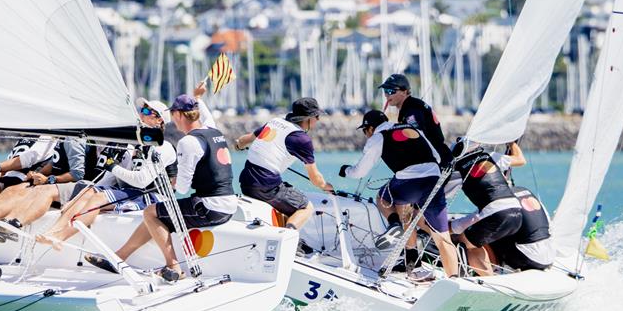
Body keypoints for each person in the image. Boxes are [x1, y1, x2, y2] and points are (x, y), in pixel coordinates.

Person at [86, 88, 237, 282]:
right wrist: (198, 97)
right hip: (228, 204)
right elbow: (206, 115)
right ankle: (119, 258)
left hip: (209, 208)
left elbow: (182, 188)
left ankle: (173, 266)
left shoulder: (188, 142)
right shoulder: (213, 131)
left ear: (178, 114)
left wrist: (175, 180)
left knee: (150, 212)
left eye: (173, 115)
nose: (173, 120)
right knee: (156, 213)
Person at [35, 98, 178, 248]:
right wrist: (81, 196)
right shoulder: (137, 146)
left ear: (160, 121)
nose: (141, 115)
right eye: (142, 111)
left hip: (155, 198)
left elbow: (141, 181)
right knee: (89, 194)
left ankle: (60, 237)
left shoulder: (164, 147)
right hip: (134, 193)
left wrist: (112, 166)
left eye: (147, 112)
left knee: (98, 199)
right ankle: (52, 232)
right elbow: (113, 177)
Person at [338, 109, 458, 278]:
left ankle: (394, 225)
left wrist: (346, 171)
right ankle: (453, 280)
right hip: (433, 181)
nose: (366, 135)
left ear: (370, 128)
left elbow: (360, 172)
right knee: (442, 238)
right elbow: (437, 157)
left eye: (365, 131)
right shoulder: (413, 128)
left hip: (409, 182)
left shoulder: (378, 137)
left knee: (383, 197)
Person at [236, 97, 334, 255]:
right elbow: (315, 179)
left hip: (246, 182)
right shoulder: (301, 139)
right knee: (305, 207)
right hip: (266, 187)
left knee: (286, 205)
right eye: (317, 116)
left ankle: (291, 239)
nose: (318, 120)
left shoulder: (274, 122)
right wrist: (327, 186)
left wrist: (238, 144)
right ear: (308, 118)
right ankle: (288, 240)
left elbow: (244, 140)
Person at [0, 137, 86, 241]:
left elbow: (78, 174)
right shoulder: (63, 137)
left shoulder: (73, 140)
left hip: (65, 186)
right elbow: (55, 162)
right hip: (53, 181)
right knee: (15, 188)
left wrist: (48, 179)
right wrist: (36, 175)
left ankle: (7, 225)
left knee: (27, 191)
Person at [447, 139, 527, 276]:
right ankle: (494, 274)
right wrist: (511, 143)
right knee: (477, 238)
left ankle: (487, 278)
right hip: (517, 211)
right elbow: (520, 160)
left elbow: (442, 195)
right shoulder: (491, 156)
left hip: (496, 213)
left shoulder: (457, 168)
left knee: (465, 242)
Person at [379, 73, 452, 168]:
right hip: (436, 158)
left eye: (391, 91)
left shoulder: (412, 111)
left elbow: (417, 139)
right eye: (385, 91)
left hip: (437, 162)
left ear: (404, 92)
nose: (387, 95)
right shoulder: (412, 106)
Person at [489, 187, 554, 272]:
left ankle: (492, 271)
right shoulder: (525, 190)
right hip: (549, 254)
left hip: (528, 259)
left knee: (481, 234)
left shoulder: (502, 198)